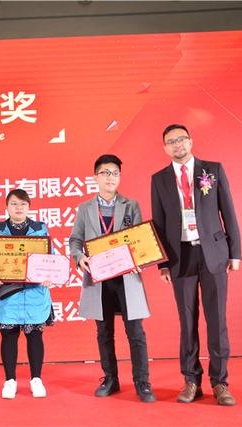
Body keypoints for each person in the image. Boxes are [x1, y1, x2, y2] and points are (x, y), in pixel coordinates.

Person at [151, 124, 241, 406]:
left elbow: (228, 211)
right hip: (181, 257)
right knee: (187, 321)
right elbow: (159, 223)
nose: (177, 144)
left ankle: (220, 382)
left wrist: (235, 253)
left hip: (214, 253)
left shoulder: (212, 170)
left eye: (181, 139)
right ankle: (191, 381)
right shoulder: (159, 179)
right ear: (165, 148)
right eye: (171, 141)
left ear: (190, 141)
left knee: (217, 320)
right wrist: (163, 264)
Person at [68, 154, 156, 403]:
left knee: (135, 332)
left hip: (127, 277)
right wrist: (79, 257)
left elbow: (139, 238)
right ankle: (110, 379)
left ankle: (142, 382)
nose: (110, 178)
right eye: (105, 173)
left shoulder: (131, 205)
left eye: (115, 173)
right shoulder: (85, 208)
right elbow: (75, 239)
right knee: (104, 332)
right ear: (95, 177)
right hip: (99, 278)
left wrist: (139, 258)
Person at [0, 189, 54, 399]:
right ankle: (10, 381)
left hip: (34, 292)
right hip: (8, 294)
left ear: (29, 207)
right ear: (6, 207)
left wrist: (48, 274)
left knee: (35, 336)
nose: (18, 208)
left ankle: (36, 379)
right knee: (8, 336)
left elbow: (50, 257)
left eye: (23, 204)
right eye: (14, 204)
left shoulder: (40, 229)